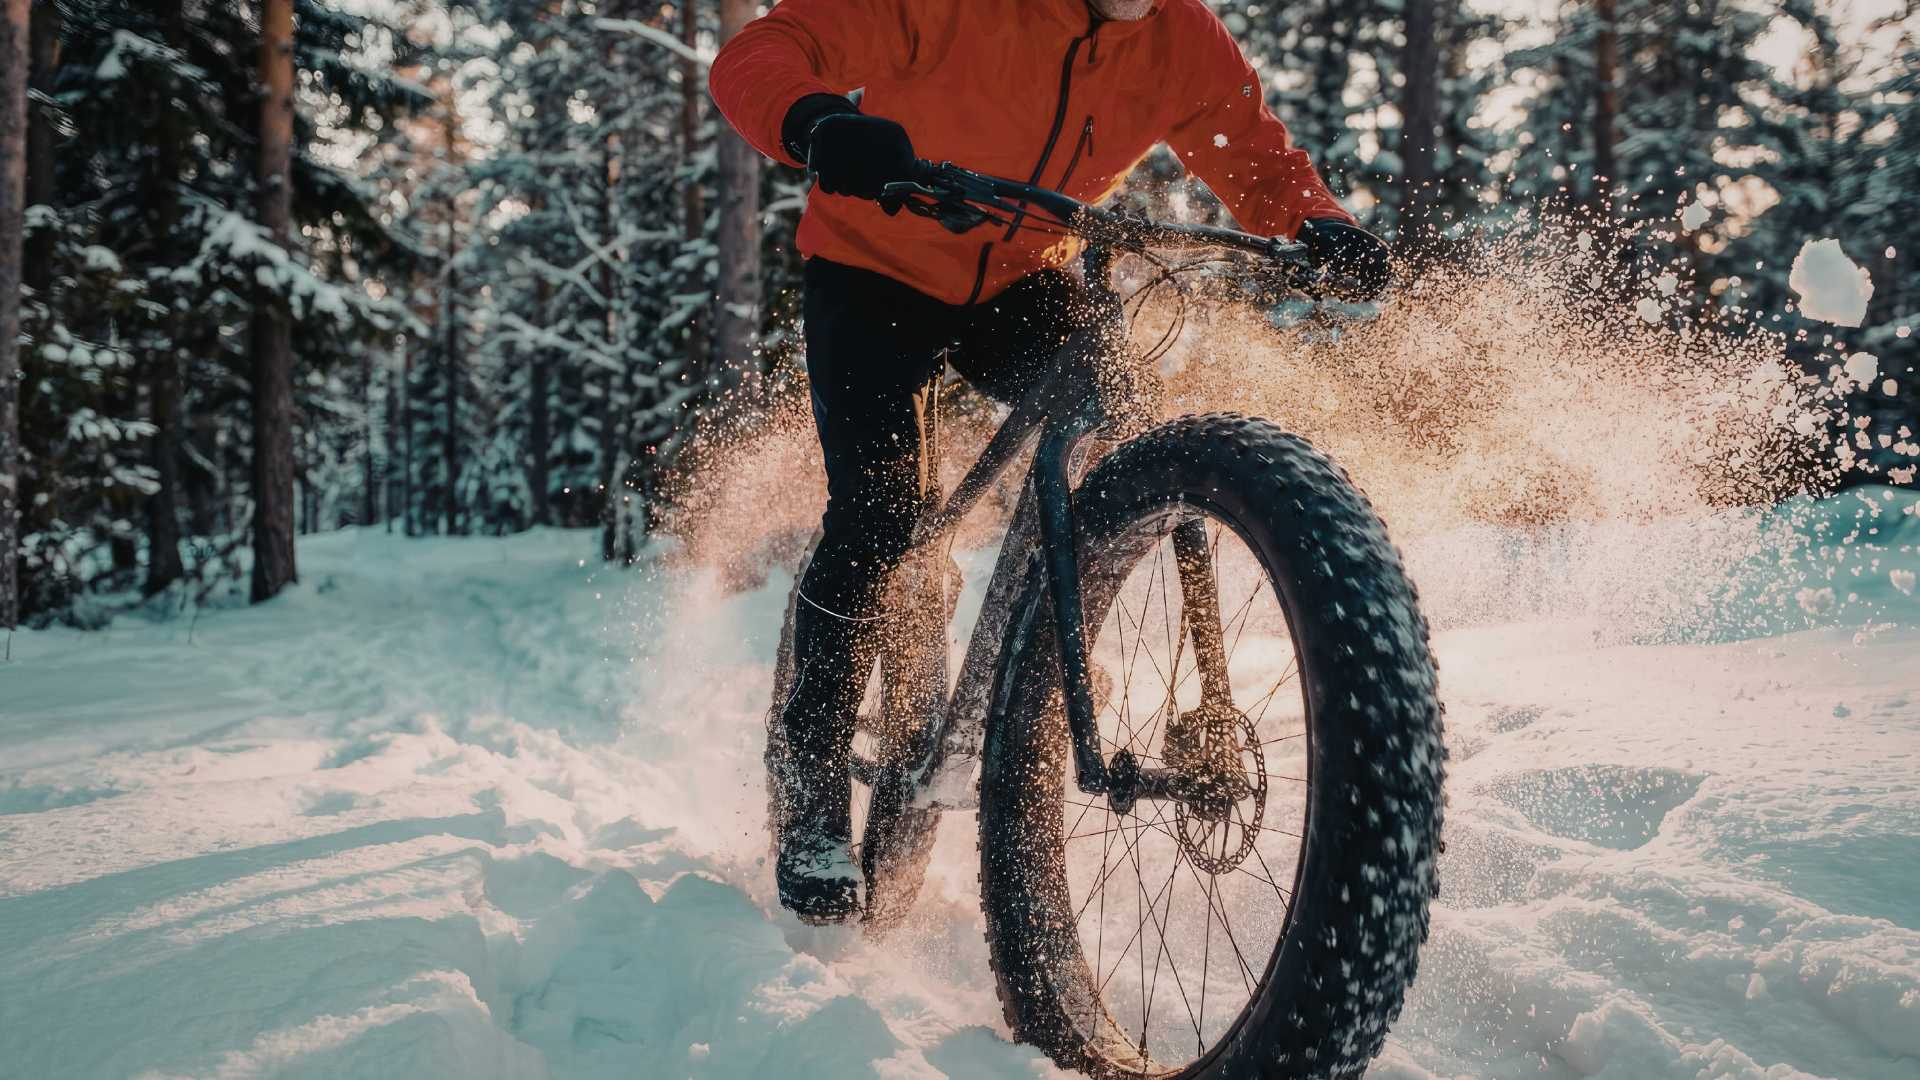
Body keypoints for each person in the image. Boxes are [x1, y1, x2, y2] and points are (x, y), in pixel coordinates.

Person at [709, 0, 1391, 923]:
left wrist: (1316, 222)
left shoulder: (1180, 36)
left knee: (1117, 423)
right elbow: (766, 50)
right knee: (880, 513)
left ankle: (1044, 645)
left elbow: (1252, 153)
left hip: (1025, 276)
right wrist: (817, 121)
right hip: (874, 265)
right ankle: (812, 770)